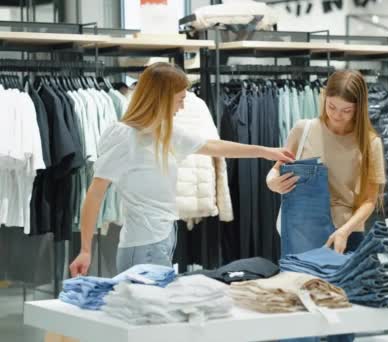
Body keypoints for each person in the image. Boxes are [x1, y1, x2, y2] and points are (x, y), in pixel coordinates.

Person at [69, 62, 294, 276]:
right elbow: (95, 193)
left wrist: (265, 151)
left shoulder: (166, 132)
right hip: (141, 246)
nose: (183, 106)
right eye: (180, 99)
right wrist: (86, 250)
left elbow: (212, 145)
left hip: (165, 238)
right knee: (146, 313)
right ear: (162, 99)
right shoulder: (123, 136)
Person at [266, 70, 386, 254]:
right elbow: (276, 169)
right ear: (324, 98)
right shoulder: (303, 129)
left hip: (347, 233)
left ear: (359, 108)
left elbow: (370, 199)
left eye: (347, 110)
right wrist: (272, 182)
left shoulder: (370, 143)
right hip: (302, 231)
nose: (337, 115)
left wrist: (345, 231)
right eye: (331, 107)